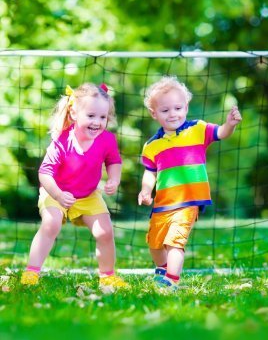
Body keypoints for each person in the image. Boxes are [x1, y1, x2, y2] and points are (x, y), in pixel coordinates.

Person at [20, 83, 129, 290]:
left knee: (105, 232)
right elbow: (44, 173)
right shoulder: (62, 141)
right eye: (91, 116)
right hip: (56, 192)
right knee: (51, 224)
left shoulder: (107, 140)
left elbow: (114, 161)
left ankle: (108, 276)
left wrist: (114, 179)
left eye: (103, 117)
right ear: (74, 112)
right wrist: (58, 195)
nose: (97, 122)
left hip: (88, 195)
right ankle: (31, 273)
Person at [138, 76, 242, 290]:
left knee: (174, 242)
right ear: (154, 113)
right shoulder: (151, 145)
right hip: (163, 204)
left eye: (178, 108)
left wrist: (229, 124)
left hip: (188, 201)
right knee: (155, 244)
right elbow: (150, 172)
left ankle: (171, 280)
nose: (172, 114)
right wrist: (146, 190)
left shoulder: (198, 129)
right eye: (165, 110)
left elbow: (221, 133)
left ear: (186, 107)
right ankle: (162, 269)